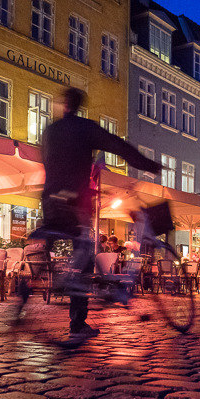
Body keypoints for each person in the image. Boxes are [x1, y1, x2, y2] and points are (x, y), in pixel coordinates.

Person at [35, 87, 160, 341]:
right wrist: (148, 165)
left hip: (50, 199)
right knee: (84, 258)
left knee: (52, 244)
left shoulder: (49, 131)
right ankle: (77, 322)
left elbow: (48, 161)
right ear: (79, 106)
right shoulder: (85, 127)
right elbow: (118, 146)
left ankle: (31, 290)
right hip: (74, 200)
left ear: (63, 105)